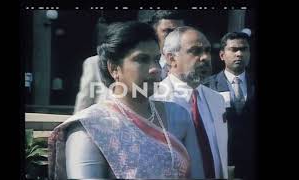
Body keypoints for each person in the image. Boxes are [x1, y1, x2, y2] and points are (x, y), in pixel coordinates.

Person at [48, 21, 198, 179]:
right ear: (114, 69)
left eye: (156, 59)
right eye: (142, 59)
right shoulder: (89, 128)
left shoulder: (178, 116)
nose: (155, 69)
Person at [152, 26, 228, 179]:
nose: (205, 57)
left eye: (207, 50)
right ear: (171, 58)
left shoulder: (217, 99)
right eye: (195, 51)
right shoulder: (154, 101)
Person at [73, 11, 186, 114]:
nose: (174, 37)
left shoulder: (175, 116)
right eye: (167, 31)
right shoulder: (95, 64)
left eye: (179, 32)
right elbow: (84, 103)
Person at [204, 32, 256, 180]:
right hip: (221, 161)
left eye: (244, 49)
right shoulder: (208, 86)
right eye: (233, 49)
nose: (239, 54)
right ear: (222, 55)